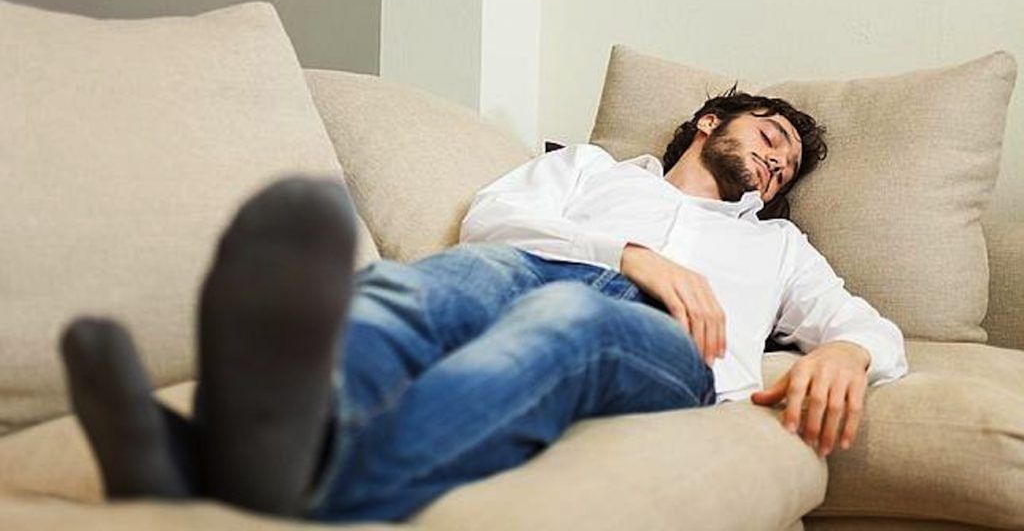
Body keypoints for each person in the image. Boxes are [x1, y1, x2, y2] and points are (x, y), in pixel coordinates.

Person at [59, 87, 909, 524]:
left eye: (784, 169)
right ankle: (250, 446)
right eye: (767, 140)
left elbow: (864, 323)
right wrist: (630, 254)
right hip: (525, 268)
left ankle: (303, 499)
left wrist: (847, 354)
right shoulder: (588, 171)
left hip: (659, 342)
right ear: (709, 122)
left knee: (565, 324)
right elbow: (493, 219)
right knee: (421, 283)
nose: (771, 167)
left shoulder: (776, 245)